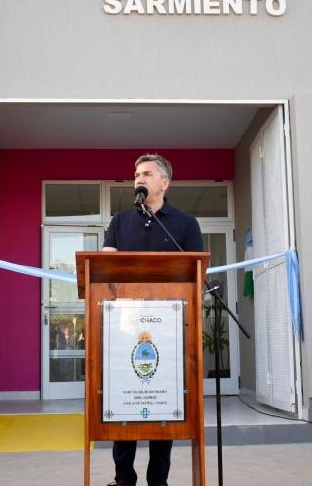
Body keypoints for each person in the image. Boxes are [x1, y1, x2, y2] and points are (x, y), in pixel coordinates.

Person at [102, 153, 203, 486]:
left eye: (146, 173)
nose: (138, 179)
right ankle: (123, 479)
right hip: (125, 331)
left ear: (164, 183)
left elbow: (196, 278)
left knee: (162, 406)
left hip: (169, 332)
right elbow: (104, 273)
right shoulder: (119, 223)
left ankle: (158, 480)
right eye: (135, 174)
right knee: (125, 406)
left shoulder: (185, 225)